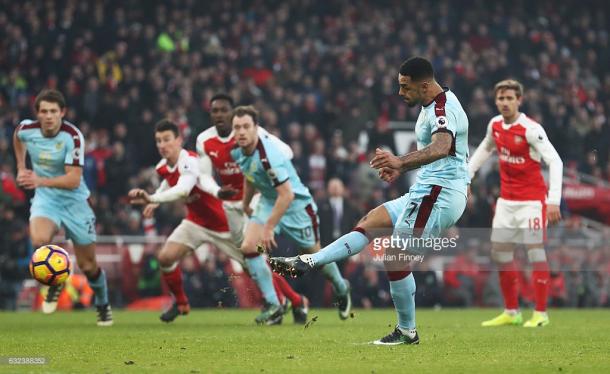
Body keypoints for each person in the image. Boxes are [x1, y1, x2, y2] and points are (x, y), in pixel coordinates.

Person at [270, 56, 470, 345]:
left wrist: (400, 162)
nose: (400, 93)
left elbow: (442, 147)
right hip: (427, 189)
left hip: (439, 194)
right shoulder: (432, 105)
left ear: (425, 85)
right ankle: (307, 261)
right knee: (370, 222)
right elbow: (447, 155)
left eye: (405, 87)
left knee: (394, 257)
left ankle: (406, 331)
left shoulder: (442, 107)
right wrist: (403, 166)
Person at [230, 105, 352, 325]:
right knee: (248, 247)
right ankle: (274, 304)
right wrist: (246, 203)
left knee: (315, 256)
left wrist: (267, 228)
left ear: (256, 128)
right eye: (237, 127)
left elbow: (286, 195)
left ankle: (341, 287)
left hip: (296, 206)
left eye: (246, 126)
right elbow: (250, 176)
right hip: (269, 201)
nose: (241, 132)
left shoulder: (269, 156)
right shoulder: (238, 151)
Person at [195, 94, 309, 324]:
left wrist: (265, 169)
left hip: (256, 198)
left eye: (223, 110)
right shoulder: (204, 140)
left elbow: (286, 152)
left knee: (252, 251)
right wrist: (217, 192)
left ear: (233, 112)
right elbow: (204, 175)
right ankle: (294, 301)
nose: (219, 115)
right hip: (230, 205)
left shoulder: (252, 134)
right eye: (214, 111)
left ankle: (276, 304)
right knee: (251, 262)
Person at [13, 89, 112, 326]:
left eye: (53, 111)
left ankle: (103, 303)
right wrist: (20, 166)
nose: (48, 116)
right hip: (46, 199)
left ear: (62, 113)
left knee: (89, 266)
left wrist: (38, 180)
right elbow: (17, 138)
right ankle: (57, 280)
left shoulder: (72, 137)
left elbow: (73, 179)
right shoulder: (27, 130)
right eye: (44, 111)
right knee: (38, 241)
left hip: (75, 201)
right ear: (37, 113)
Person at [128, 119, 244, 323]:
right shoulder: (163, 166)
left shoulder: (190, 160)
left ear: (179, 140)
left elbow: (182, 189)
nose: (162, 145)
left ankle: (292, 300)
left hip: (221, 224)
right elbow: (168, 180)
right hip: (195, 222)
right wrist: (156, 198)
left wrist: (152, 198)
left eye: (167, 140)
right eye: (158, 141)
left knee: (255, 265)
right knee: (165, 257)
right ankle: (181, 303)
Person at [469, 79, 563, 327]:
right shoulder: (495, 125)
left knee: (535, 253)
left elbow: (555, 161)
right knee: (500, 254)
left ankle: (541, 314)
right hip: (506, 202)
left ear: (519, 100)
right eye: (501, 98)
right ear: (496, 100)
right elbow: (484, 149)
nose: (505, 102)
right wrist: (466, 176)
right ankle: (512, 312)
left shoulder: (531, 129)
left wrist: (553, 201)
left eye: (510, 98)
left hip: (532, 202)